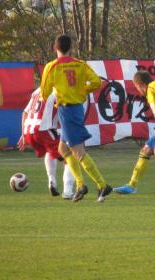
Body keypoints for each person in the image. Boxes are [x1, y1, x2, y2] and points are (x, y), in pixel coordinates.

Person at [40, 34, 112, 202]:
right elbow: (96, 82)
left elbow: (44, 94)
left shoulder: (51, 67)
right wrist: (81, 91)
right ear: (71, 48)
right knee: (63, 150)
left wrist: (57, 89)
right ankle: (80, 184)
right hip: (77, 108)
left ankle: (102, 185)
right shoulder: (80, 64)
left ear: (55, 48)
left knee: (78, 152)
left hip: (67, 110)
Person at [18, 88, 76, 200]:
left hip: (29, 130)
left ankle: (52, 180)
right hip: (44, 129)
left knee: (50, 151)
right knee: (70, 159)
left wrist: (23, 134)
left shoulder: (38, 90)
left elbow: (25, 113)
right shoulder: (58, 89)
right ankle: (68, 191)